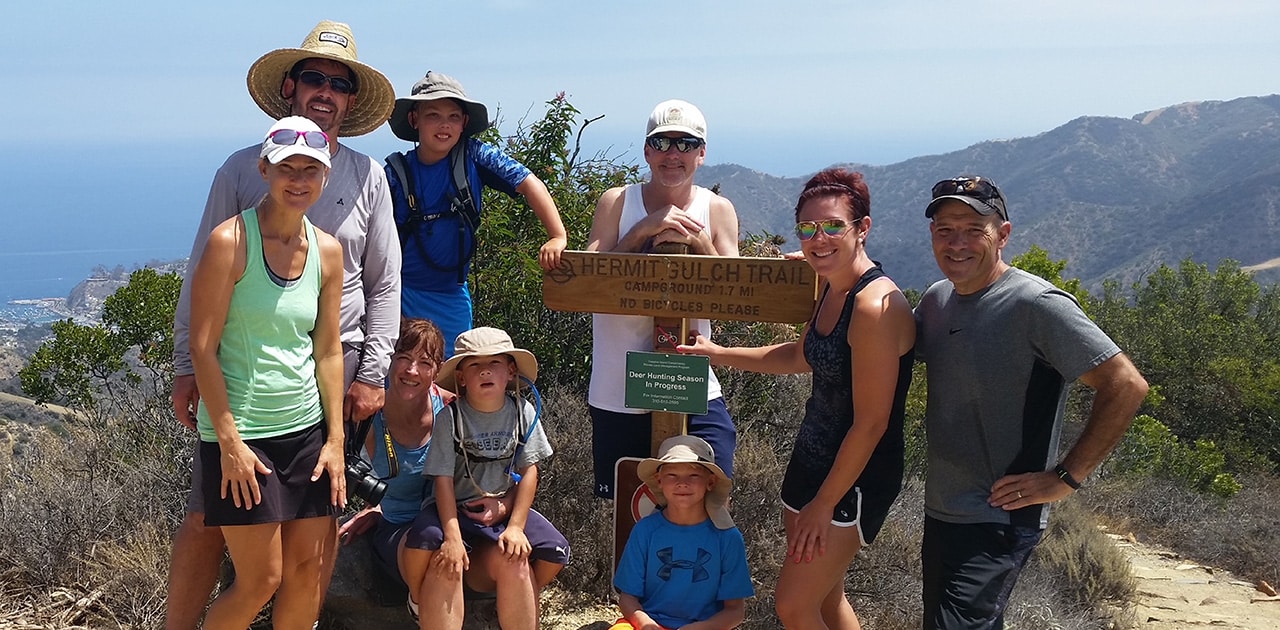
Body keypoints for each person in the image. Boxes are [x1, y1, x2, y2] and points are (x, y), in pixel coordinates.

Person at [166, 20, 400, 630]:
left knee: (314, 552)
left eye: (339, 82)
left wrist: (372, 375)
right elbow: (202, 274)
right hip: (241, 382)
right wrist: (187, 366)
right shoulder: (239, 172)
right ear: (292, 86)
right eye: (315, 77)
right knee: (209, 524)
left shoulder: (366, 176)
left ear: (350, 99)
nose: (326, 90)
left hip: (333, 377)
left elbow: (383, 282)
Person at [679, 168, 915, 629]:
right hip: (812, 460)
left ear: (863, 228)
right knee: (827, 599)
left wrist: (825, 503)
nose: (818, 237)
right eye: (807, 228)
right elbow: (802, 356)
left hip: (854, 479)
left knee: (793, 605)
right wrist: (716, 353)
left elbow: (871, 423)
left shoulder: (874, 308)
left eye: (833, 226)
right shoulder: (829, 285)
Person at [915, 176, 1148, 629]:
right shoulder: (937, 300)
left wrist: (1066, 476)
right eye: (945, 229)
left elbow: (1125, 383)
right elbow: (882, 343)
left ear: (1002, 235)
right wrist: (822, 280)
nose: (956, 242)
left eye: (973, 229)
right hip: (943, 508)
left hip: (999, 516)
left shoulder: (1036, 304)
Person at [188, 116, 347, 628]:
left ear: (326, 176)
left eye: (311, 170)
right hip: (245, 438)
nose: (299, 180)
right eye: (287, 168)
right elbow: (203, 347)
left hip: (305, 432)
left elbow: (327, 349)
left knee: (306, 572)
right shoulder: (229, 242)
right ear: (264, 170)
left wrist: (336, 440)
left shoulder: (327, 250)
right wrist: (229, 443)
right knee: (262, 580)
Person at [585, 99, 741, 499]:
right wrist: (642, 231)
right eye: (663, 142)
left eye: (686, 143)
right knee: (629, 513)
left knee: (710, 500)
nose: (674, 154)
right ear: (647, 151)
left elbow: (737, 294)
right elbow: (589, 283)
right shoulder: (617, 202)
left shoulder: (718, 210)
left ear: (702, 154)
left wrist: (699, 239)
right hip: (616, 390)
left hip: (692, 385)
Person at [335, 318, 510, 613]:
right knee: (434, 551)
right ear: (388, 358)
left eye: (424, 362)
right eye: (403, 358)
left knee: (514, 557)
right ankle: (419, 604)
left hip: (458, 526)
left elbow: (508, 469)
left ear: (438, 369)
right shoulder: (367, 415)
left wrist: (504, 504)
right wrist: (376, 508)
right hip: (402, 529)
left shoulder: (453, 409)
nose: (411, 371)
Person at [385, 71, 568, 353]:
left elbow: (530, 183)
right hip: (400, 294)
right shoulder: (394, 174)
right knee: (402, 380)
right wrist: (387, 308)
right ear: (414, 119)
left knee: (450, 381)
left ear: (464, 123)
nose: (444, 125)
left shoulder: (473, 155)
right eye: (432, 114)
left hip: (452, 297)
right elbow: (372, 241)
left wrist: (557, 236)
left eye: (453, 117)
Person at [401, 326, 569, 630]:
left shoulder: (523, 412)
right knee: (425, 543)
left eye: (494, 363)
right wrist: (452, 535)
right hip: (456, 506)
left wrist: (515, 526)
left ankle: (509, 599)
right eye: (475, 364)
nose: (485, 372)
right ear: (462, 377)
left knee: (554, 550)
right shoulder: (450, 418)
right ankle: (417, 598)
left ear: (510, 371)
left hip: (504, 506)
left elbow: (530, 470)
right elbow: (441, 479)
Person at [611, 435, 754, 630]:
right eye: (672, 475)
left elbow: (735, 611)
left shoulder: (728, 538)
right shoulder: (645, 530)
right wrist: (646, 625)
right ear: (659, 480)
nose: (682, 483)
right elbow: (628, 598)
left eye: (693, 475)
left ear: (710, 482)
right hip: (648, 622)